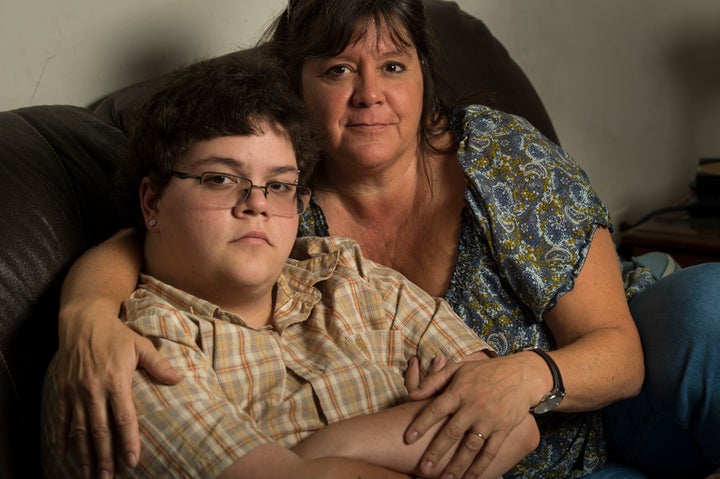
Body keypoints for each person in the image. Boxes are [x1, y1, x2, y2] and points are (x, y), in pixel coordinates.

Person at [52, 1, 720, 478]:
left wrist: (520, 376)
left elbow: (620, 355)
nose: (370, 94)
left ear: (425, 78)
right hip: (502, 460)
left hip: (611, 399)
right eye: (339, 70)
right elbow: (150, 240)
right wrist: (85, 312)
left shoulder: (493, 157)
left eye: (394, 67)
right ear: (298, 89)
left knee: (708, 310)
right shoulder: (287, 210)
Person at [41, 53, 540, 479]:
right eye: (220, 178)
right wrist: (415, 432)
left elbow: (515, 424)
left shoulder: (347, 276)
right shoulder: (129, 354)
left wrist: (324, 452)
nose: (256, 204)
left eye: (278, 185)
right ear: (152, 201)